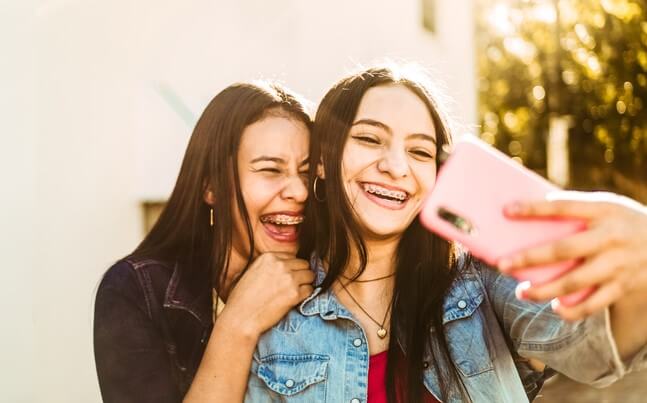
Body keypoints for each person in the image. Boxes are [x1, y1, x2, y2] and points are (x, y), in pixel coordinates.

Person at [244, 64, 647, 402]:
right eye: (369, 139)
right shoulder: (277, 314)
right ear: (322, 163)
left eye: (419, 151)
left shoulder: (480, 283)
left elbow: (596, 350)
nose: (396, 167)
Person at [94, 81, 315, 403]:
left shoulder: (330, 283)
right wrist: (238, 324)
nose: (300, 191)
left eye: (307, 173)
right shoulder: (136, 289)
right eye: (270, 170)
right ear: (211, 186)